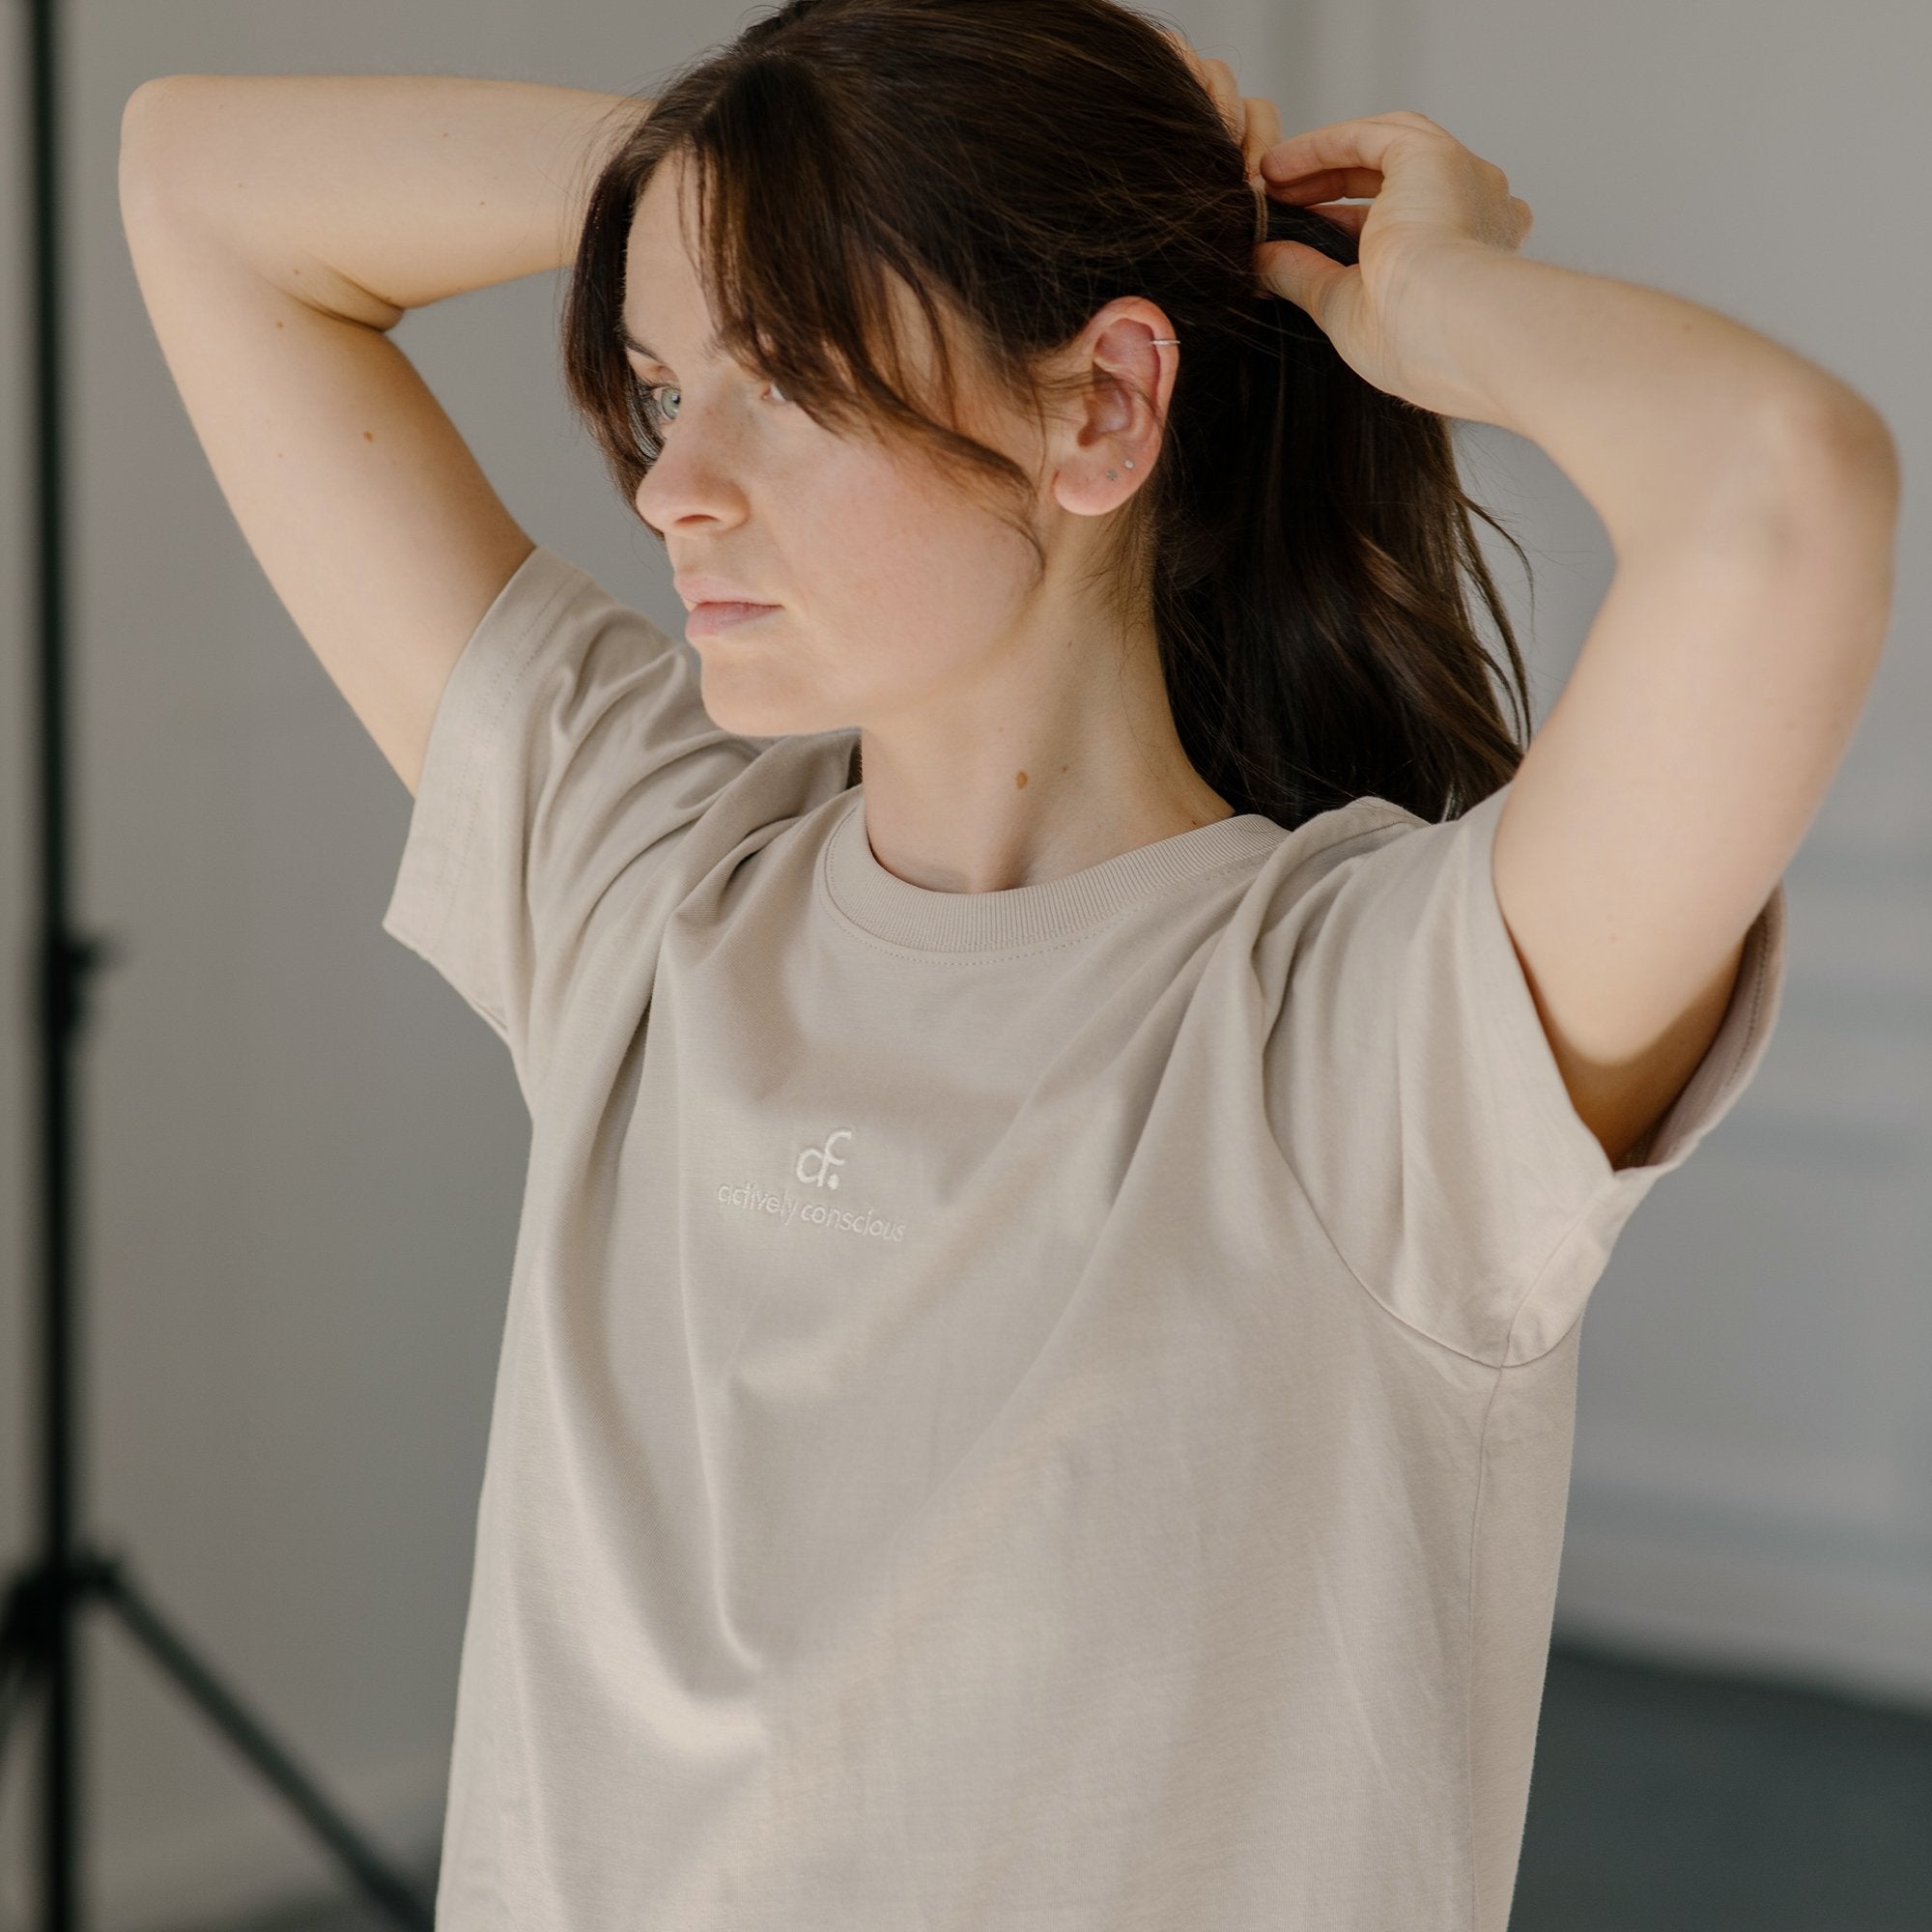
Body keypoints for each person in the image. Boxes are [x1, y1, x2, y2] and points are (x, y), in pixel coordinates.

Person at [118, 1, 1896, 1924]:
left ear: (1101, 407)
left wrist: (1429, 296)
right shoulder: (642, 875)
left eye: (782, 376)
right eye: (658, 382)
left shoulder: (1372, 1040)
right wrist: (762, 178)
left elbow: (1781, 491)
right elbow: (195, 182)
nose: (669, 484)